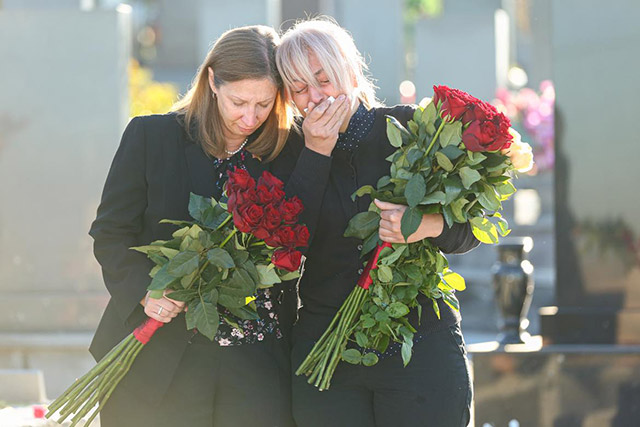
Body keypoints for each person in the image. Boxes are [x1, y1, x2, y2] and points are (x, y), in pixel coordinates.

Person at [272, 18, 480, 427]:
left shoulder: (413, 130)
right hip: (326, 352)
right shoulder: (286, 152)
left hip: (419, 343)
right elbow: (284, 246)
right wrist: (316, 153)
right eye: (298, 88)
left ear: (349, 70)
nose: (314, 97)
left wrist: (426, 225)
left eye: (323, 78)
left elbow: (475, 223)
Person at [89, 25, 298, 427]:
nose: (250, 117)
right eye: (239, 101)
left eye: (264, 104)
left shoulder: (289, 150)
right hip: (157, 358)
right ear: (212, 81)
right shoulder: (152, 137)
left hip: (256, 366)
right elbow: (111, 232)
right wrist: (145, 291)